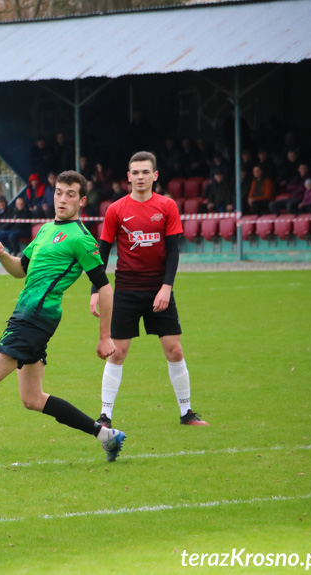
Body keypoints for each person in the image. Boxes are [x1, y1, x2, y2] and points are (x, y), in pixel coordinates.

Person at [0, 171, 125, 474]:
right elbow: (21, 269)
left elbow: (105, 287)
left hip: (36, 317)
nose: (62, 199)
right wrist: (1, 255)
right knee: (32, 398)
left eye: (70, 194)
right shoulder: (47, 229)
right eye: (59, 192)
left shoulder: (81, 239)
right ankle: (107, 435)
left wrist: (105, 336)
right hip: (27, 314)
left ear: (82, 200)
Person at [90, 151, 208, 429]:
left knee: (175, 350)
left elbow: (173, 251)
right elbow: (102, 253)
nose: (140, 177)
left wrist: (167, 287)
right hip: (127, 289)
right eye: (135, 173)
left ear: (155, 176)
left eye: (146, 172)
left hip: (159, 289)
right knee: (117, 352)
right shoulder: (115, 209)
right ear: (128, 177)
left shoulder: (167, 206)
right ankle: (105, 416)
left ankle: (187, 412)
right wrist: (95, 290)